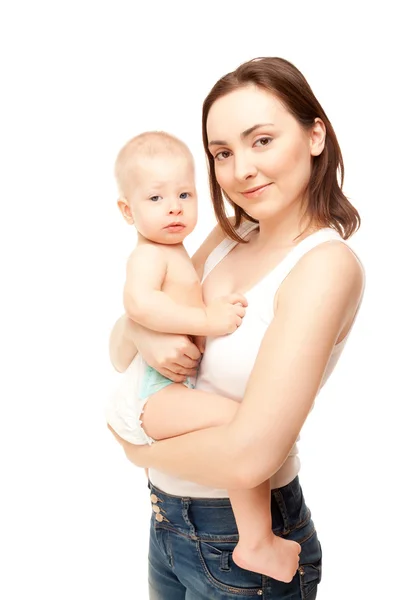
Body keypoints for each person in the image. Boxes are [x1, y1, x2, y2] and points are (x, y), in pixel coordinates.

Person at [108, 57, 365, 599]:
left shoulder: (324, 265)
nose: (240, 169)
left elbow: (251, 455)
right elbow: (121, 346)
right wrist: (147, 328)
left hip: (238, 545)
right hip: (168, 523)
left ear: (315, 135)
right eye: (222, 153)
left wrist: (135, 447)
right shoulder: (231, 235)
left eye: (262, 141)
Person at [106, 129, 301, 583]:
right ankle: (255, 542)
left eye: (184, 194)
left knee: (241, 427)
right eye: (155, 198)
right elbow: (139, 305)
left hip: (173, 391)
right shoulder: (149, 255)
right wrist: (210, 321)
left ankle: (255, 541)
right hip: (155, 394)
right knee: (239, 421)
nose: (174, 206)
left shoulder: (181, 251)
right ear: (127, 210)